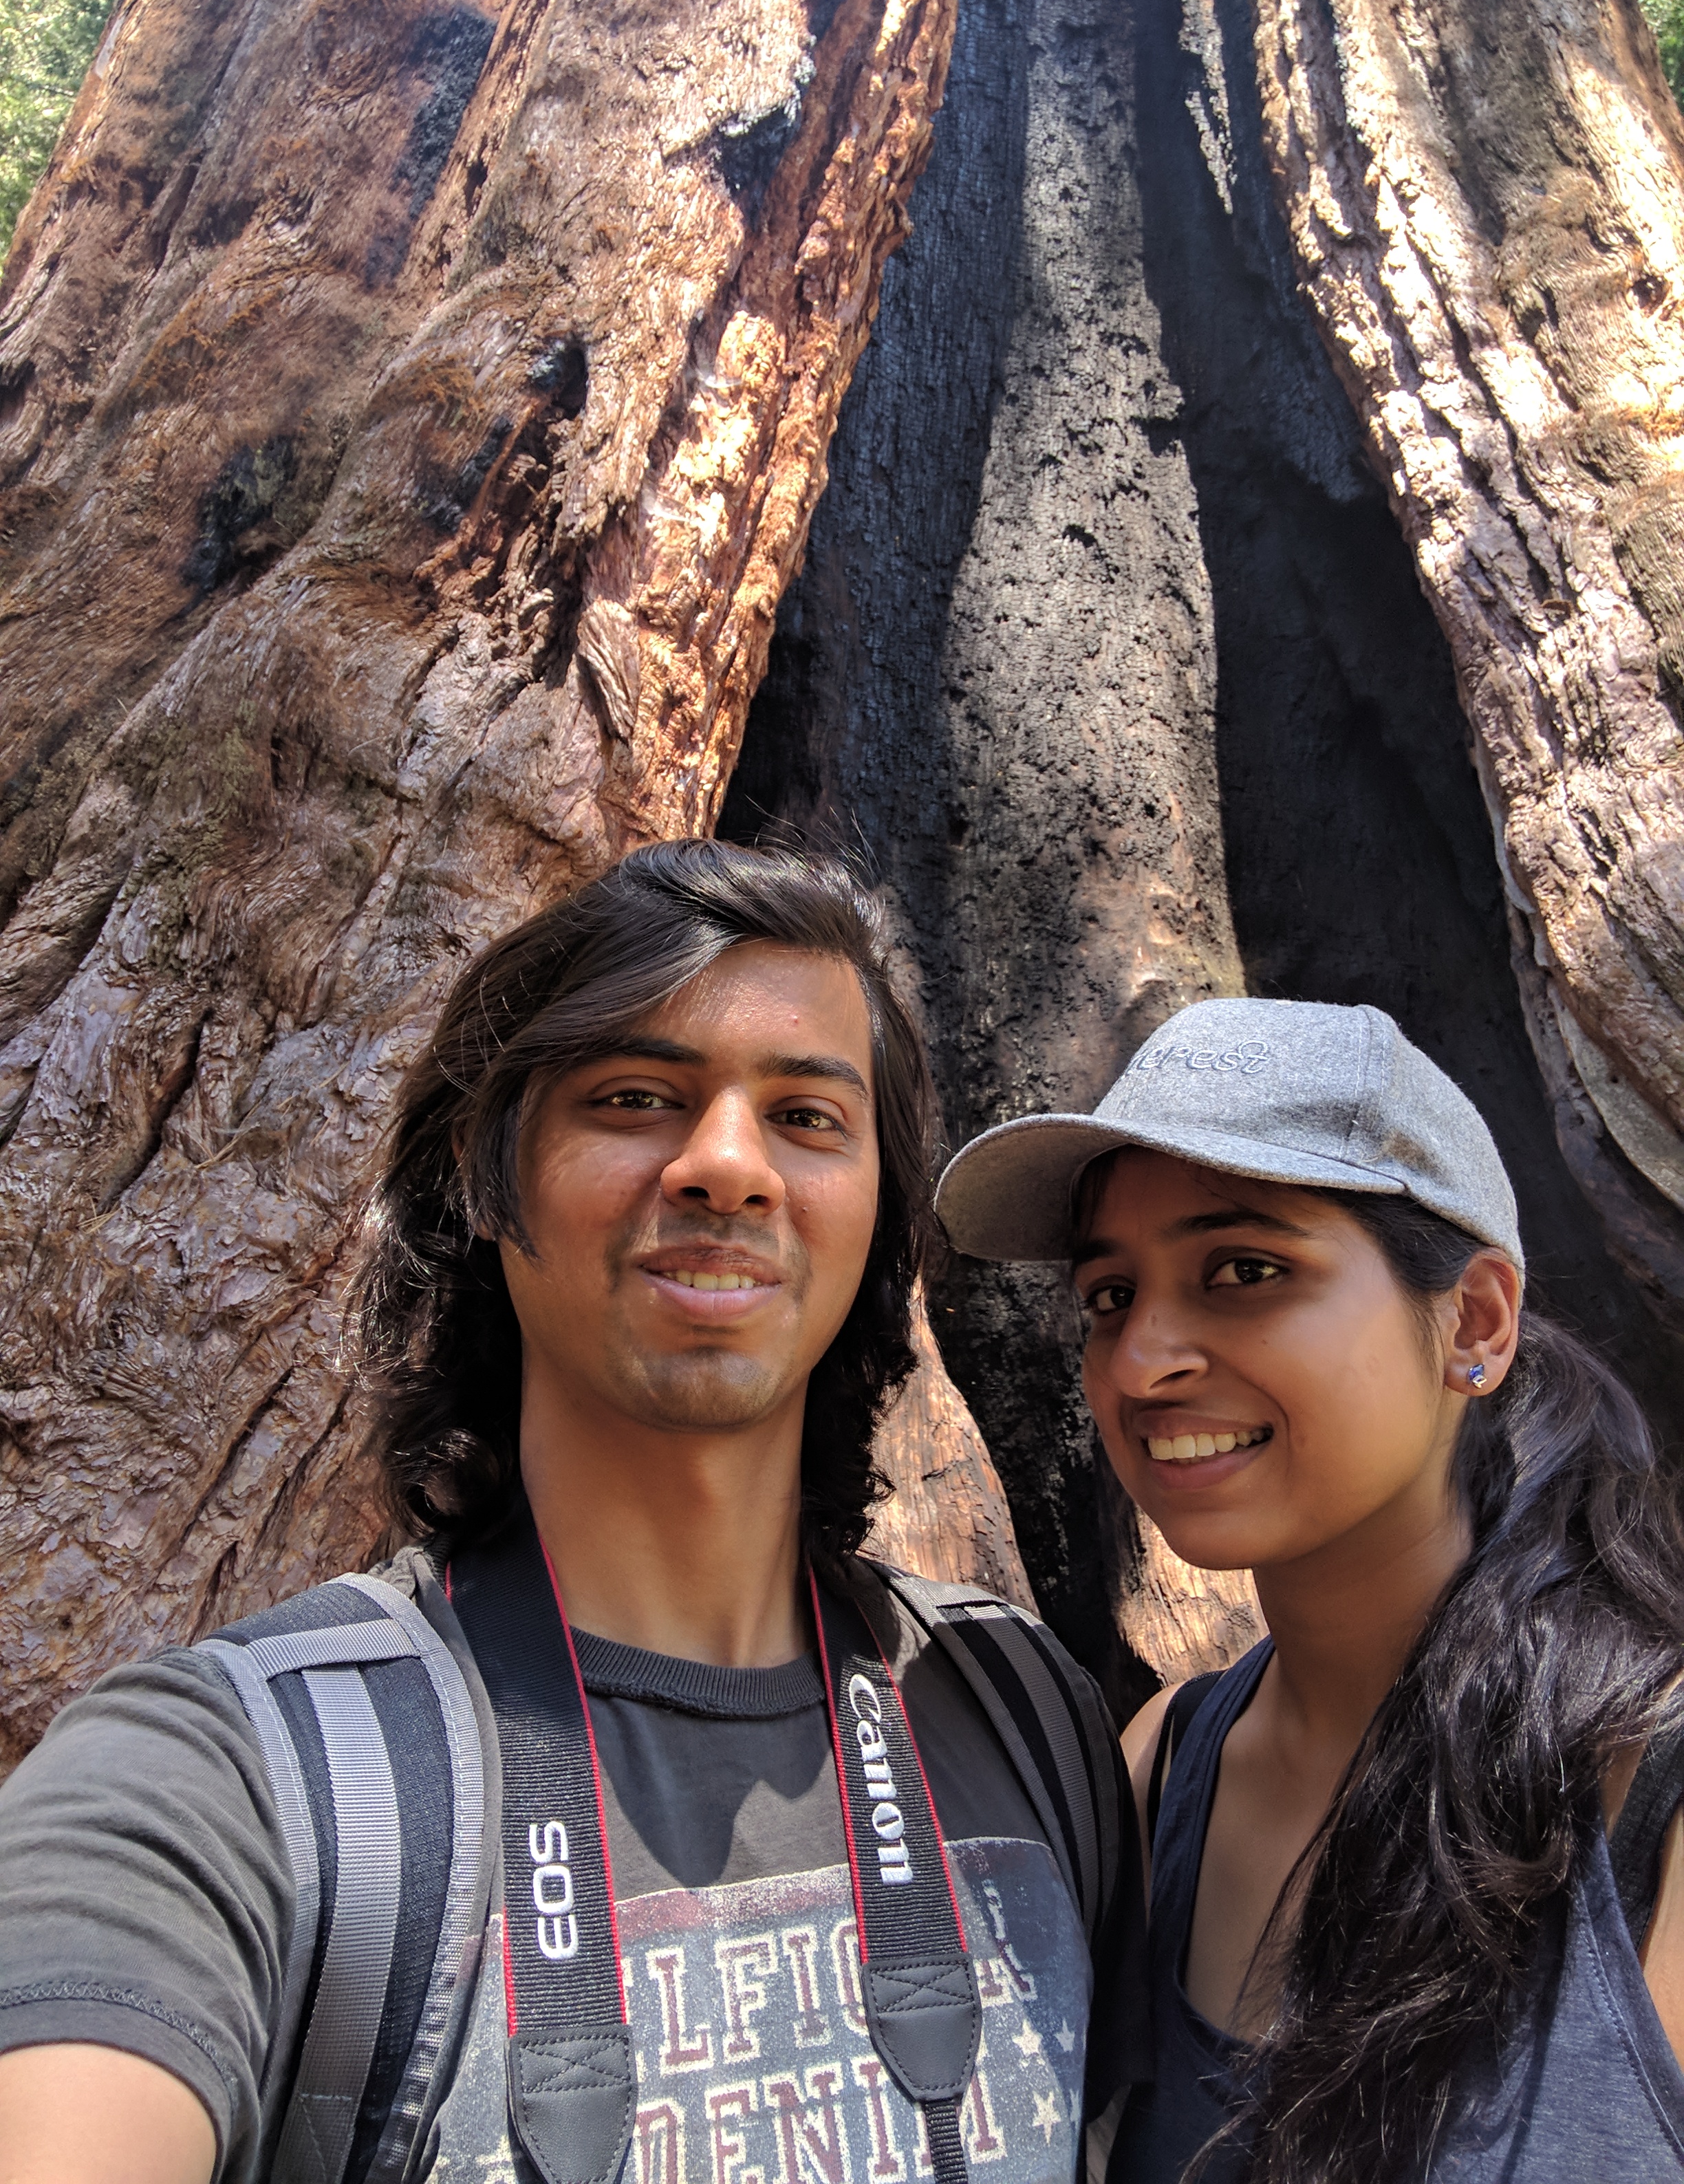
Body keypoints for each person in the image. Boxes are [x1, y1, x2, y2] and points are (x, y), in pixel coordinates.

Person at [0, 842, 1140, 2184]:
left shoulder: (1023, 1716)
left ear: (878, 1220)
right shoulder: (235, 1782)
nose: (727, 1165)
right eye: (638, 1097)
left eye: (808, 1118)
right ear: (489, 1183)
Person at [936, 995, 1684, 2183]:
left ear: (1475, 1323)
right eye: (1109, 1295)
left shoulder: (1648, 1790)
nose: (1140, 1362)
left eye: (1243, 1269)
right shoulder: (1161, 1767)